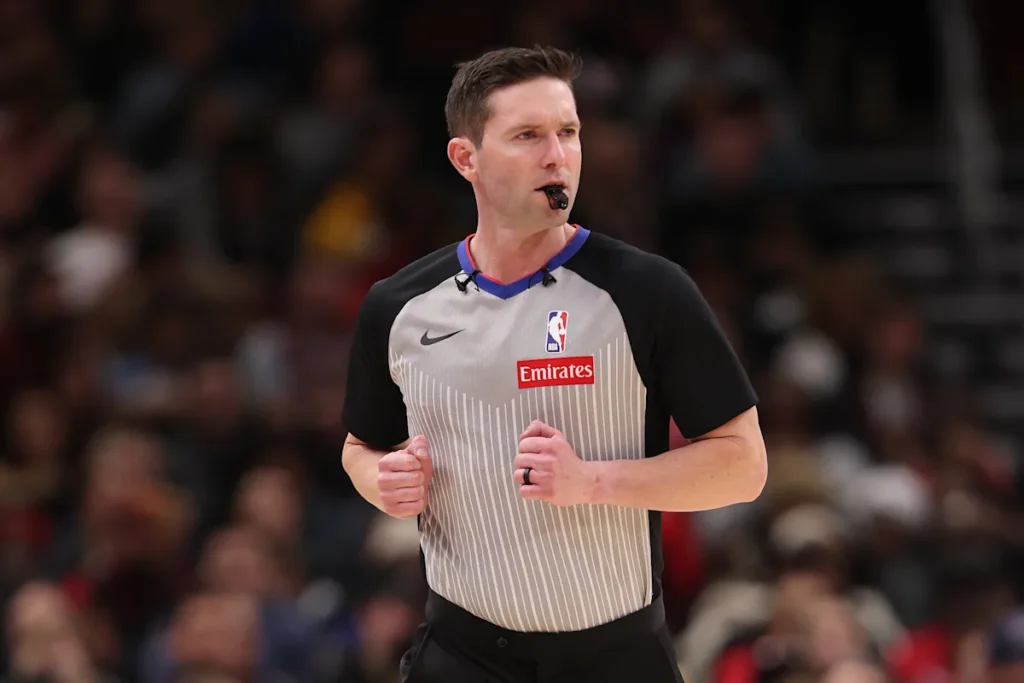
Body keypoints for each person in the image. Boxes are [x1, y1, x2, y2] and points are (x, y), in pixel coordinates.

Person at [341, 45, 767, 683]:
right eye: (527, 136)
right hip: (463, 653)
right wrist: (383, 480)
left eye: (568, 132)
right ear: (467, 159)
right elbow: (359, 446)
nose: (556, 154)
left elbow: (744, 466)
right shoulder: (397, 306)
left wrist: (595, 483)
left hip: (615, 656)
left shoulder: (649, 291)